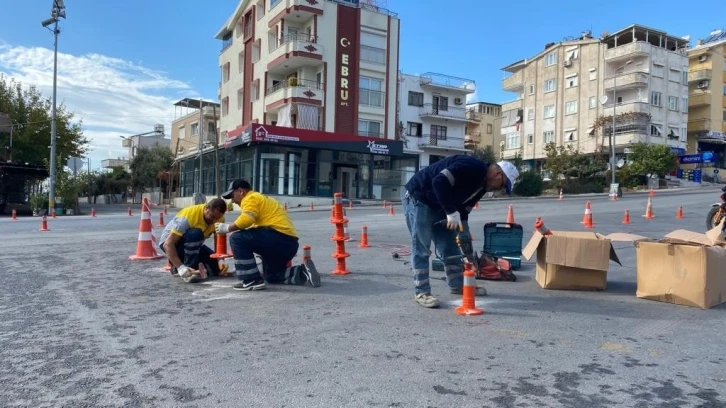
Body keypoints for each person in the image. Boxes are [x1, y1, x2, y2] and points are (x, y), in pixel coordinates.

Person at [401, 155, 519, 308]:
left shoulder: (483, 186)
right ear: (498, 174)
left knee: (450, 246)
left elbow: (465, 208)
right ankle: (422, 292)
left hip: (439, 204)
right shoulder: (471, 166)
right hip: (420, 198)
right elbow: (439, 181)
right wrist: (450, 212)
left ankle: (457, 285)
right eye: (503, 185)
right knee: (422, 248)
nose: (500, 189)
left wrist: (464, 230)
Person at [214, 179, 320, 291]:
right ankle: (302, 271)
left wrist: (227, 227)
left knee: (237, 238)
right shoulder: (263, 199)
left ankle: (251, 280)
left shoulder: (250, 198)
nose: (233, 201)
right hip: (289, 244)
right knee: (272, 276)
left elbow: (247, 219)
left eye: (232, 196)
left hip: (277, 238)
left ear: (241, 191)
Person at [159, 198, 229, 284]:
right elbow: (168, 244)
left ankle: (178, 265)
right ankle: (187, 269)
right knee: (196, 233)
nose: (214, 221)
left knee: (216, 270)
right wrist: (182, 268)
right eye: (212, 217)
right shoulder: (187, 218)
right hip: (171, 244)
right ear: (207, 208)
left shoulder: (219, 219)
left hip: (194, 244)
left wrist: (220, 260)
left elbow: (218, 242)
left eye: (217, 218)